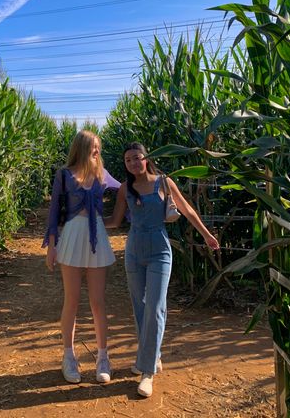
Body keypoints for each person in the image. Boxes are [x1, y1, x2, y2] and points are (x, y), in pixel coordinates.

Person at [104, 142, 219, 398]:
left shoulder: (164, 183)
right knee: (140, 306)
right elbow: (114, 221)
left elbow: (187, 210)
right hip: (133, 251)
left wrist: (207, 235)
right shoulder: (125, 189)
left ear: (147, 158)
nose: (133, 163)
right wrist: (84, 222)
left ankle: (147, 373)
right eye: (128, 161)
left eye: (137, 158)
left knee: (156, 307)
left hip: (159, 250)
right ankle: (152, 356)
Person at [43, 130, 120, 385]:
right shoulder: (64, 175)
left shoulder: (102, 174)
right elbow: (54, 210)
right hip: (73, 236)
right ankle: (69, 356)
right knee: (72, 300)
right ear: (82, 147)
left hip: (96, 235)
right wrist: (51, 246)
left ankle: (102, 357)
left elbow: (127, 189)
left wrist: (157, 186)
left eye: (99, 147)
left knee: (98, 302)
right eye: (93, 147)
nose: (97, 151)